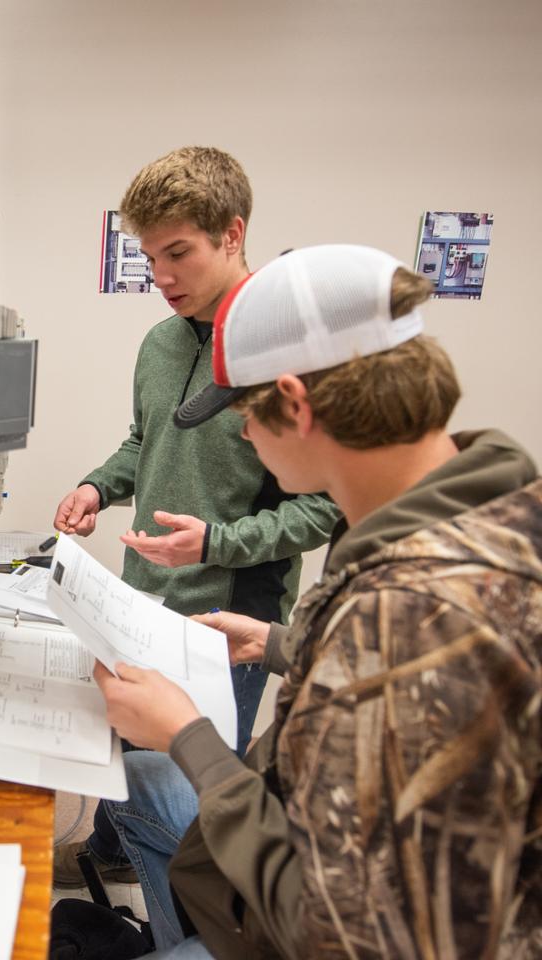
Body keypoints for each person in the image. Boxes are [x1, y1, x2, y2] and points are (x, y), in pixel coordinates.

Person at [92, 243, 542, 957]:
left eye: (245, 412)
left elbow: (337, 931)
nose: (242, 432)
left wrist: (189, 738)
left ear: (296, 404)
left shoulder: (415, 613)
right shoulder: (492, 511)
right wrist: (283, 644)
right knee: (141, 791)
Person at [51, 148, 339, 887]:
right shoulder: (158, 341)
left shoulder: (282, 352)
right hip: (141, 592)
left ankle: (185, 920)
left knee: (194, 816)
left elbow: (321, 506)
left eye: (179, 253)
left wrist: (217, 540)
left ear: (232, 234)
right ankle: (116, 853)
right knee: (130, 752)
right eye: (151, 258)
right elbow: (147, 440)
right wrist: (95, 486)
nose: (164, 277)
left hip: (229, 622)